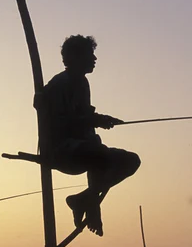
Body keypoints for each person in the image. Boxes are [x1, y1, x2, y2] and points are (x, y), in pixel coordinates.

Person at [36, 34, 140, 236]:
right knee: (96, 152)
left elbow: (82, 116)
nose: (94, 59)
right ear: (74, 58)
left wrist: (100, 119)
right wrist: (95, 121)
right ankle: (90, 205)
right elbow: (60, 122)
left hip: (84, 148)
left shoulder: (82, 83)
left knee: (131, 160)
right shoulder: (60, 84)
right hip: (60, 150)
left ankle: (84, 199)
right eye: (89, 55)